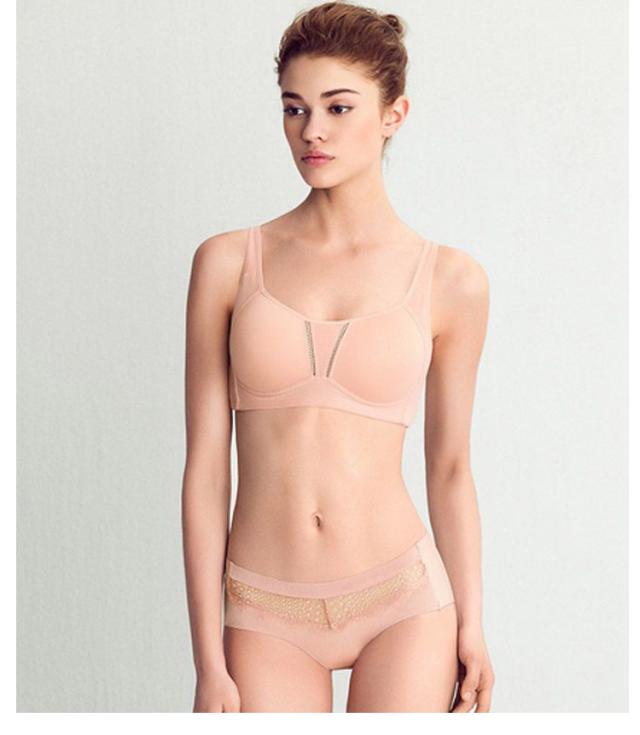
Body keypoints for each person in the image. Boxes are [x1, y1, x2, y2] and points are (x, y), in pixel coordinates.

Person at [182, 1, 494, 713]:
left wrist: (473, 622)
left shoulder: (452, 281)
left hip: (403, 599)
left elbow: (450, 467)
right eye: (293, 108)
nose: (311, 130)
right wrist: (207, 658)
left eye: (338, 107)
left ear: (393, 115)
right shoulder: (227, 263)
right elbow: (205, 468)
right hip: (264, 605)